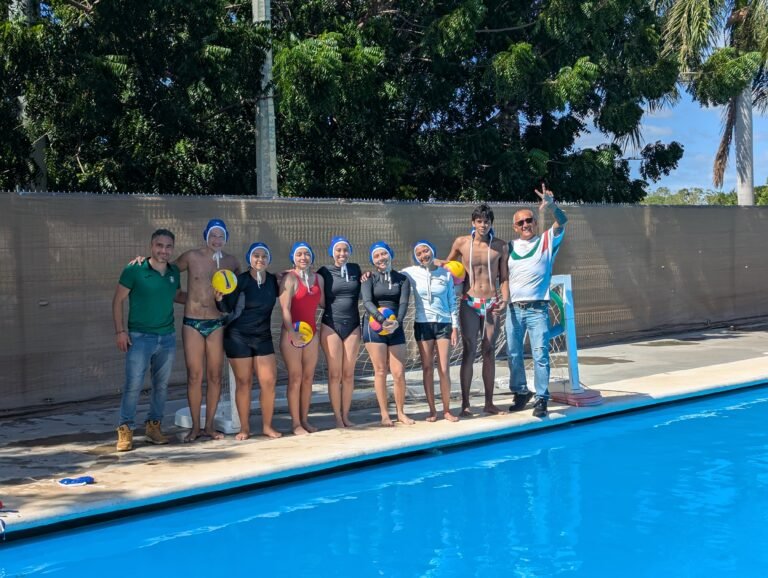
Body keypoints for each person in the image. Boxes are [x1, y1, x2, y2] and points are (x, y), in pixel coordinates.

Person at [112, 229, 185, 452]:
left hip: (167, 337)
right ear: (151, 246)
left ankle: (154, 427)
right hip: (139, 338)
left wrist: (203, 298)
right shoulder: (135, 269)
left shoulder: (173, 271)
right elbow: (117, 301)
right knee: (133, 385)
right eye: (159, 245)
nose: (164, 250)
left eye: (168, 246)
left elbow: (176, 295)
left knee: (161, 386)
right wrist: (120, 331)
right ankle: (125, 429)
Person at [439, 204, 509, 416]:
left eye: (487, 222)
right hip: (469, 301)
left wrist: (504, 299)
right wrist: (432, 261)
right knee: (469, 351)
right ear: (473, 222)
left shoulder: (500, 246)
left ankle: (489, 403)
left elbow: (504, 277)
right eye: (479, 221)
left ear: (491, 224)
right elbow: (447, 267)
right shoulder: (462, 243)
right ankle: (466, 404)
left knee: (489, 351)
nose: (483, 225)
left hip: (491, 303)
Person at [506, 184, 567, 418]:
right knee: (513, 353)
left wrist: (552, 206)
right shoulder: (509, 247)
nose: (525, 225)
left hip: (537, 309)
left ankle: (542, 397)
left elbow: (562, 221)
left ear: (535, 222)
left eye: (529, 220)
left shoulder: (546, 241)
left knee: (540, 354)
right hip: (514, 310)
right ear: (515, 227)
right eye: (520, 223)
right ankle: (521, 392)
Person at [176, 219, 240, 442]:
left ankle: (210, 426)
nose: (217, 240)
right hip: (192, 321)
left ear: (226, 239)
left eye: (221, 236)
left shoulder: (231, 261)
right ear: (206, 236)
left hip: (216, 323)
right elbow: (166, 272)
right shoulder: (191, 257)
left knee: (214, 376)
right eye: (213, 235)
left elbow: (242, 287)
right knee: (195, 376)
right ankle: (195, 427)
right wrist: (183, 297)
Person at [215, 242, 281, 440]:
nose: (260, 259)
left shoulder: (273, 281)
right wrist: (219, 298)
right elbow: (226, 307)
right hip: (238, 336)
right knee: (244, 383)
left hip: (262, 336)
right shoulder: (240, 281)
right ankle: (244, 428)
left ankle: (267, 426)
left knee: (269, 381)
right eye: (256, 256)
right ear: (249, 259)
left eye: (264, 256)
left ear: (268, 259)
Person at [402, 240, 459, 422]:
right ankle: (432, 410)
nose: (423, 255)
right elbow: (390, 272)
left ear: (432, 251)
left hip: (443, 324)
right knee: (427, 368)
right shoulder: (412, 272)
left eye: (425, 251)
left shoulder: (446, 274)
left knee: (444, 368)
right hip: (423, 324)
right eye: (419, 253)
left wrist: (455, 327)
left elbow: (452, 302)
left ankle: (447, 410)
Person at [361, 241, 414, 427]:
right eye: (376, 256)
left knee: (399, 373)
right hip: (374, 327)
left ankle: (400, 412)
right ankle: (384, 414)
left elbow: (404, 303)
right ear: (373, 261)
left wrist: (396, 323)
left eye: (383, 254)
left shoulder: (403, 279)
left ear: (390, 255)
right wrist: (382, 321)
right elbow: (367, 302)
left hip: (395, 326)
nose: (381, 258)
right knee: (381, 371)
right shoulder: (368, 279)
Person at [279, 242, 325, 435]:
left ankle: (305, 420)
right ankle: (295, 423)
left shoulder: (318, 279)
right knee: (295, 378)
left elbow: (323, 303)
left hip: (311, 333)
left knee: (308, 378)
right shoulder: (290, 278)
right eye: (299, 254)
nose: (303, 257)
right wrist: (292, 333)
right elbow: (285, 308)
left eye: (307, 254)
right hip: (292, 334)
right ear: (293, 258)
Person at [317, 236, 362, 428]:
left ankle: (346, 415)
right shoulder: (324, 272)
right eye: (338, 250)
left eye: (345, 250)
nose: (342, 254)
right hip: (331, 325)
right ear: (332, 252)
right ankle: (337, 417)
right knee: (334, 374)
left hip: (353, 325)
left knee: (348, 374)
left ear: (349, 252)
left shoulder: (356, 269)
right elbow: (319, 299)